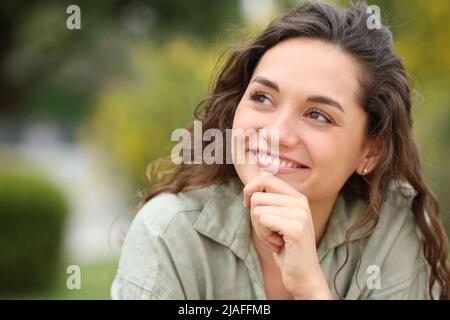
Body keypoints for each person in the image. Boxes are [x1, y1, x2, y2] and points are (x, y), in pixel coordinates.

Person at [111, 1, 450, 299]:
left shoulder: (391, 231)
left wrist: (310, 290)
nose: (276, 133)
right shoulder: (169, 234)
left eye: (318, 115)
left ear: (370, 153)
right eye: (262, 97)